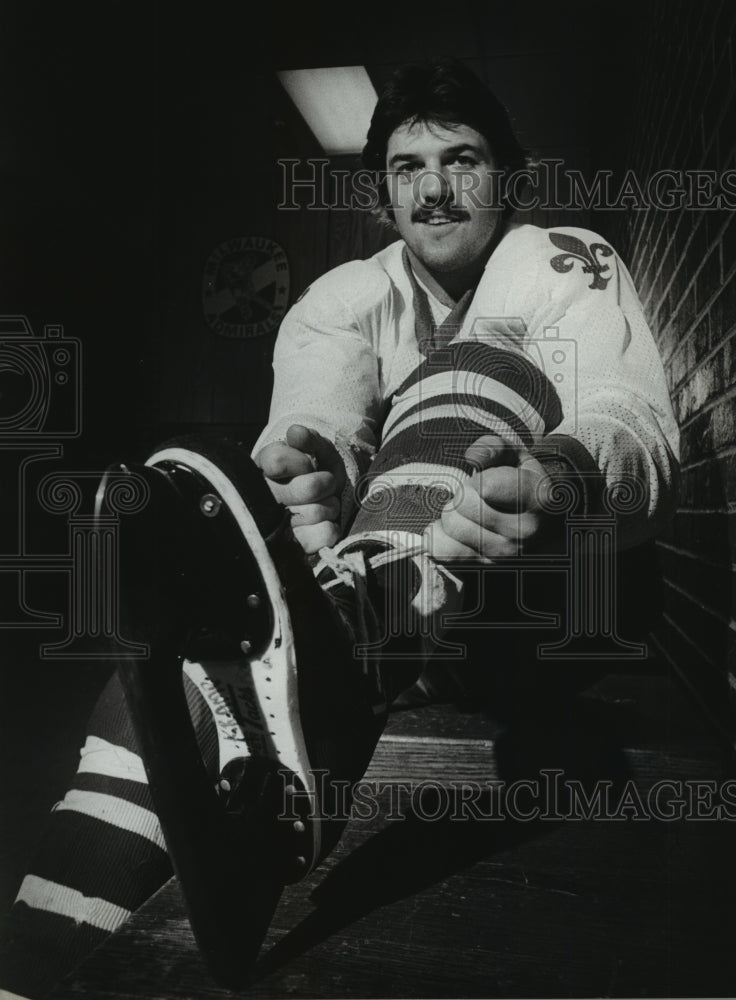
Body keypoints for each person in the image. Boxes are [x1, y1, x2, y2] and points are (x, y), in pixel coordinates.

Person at [0, 59, 679, 999]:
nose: (435, 189)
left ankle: (339, 663)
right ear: (384, 194)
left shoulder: (558, 257)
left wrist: (557, 480)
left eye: (462, 160)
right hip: (394, 621)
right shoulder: (342, 297)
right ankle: (29, 973)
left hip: (548, 616)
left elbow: (632, 421)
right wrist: (307, 469)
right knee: (176, 699)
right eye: (408, 169)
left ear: (507, 178)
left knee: (478, 358)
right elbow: (316, 421)